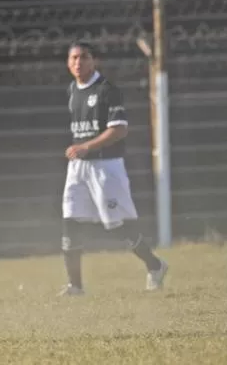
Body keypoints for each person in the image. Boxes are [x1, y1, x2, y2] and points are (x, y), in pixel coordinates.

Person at [58, 41, 168, 296]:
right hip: (78, 169)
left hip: (106, 168)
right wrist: (80, 150)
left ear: (94, 60)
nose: (78, 62)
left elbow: (119, 129)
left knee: (118, 225)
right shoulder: (73, 89)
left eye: (83, 57)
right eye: (73, 58)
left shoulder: (107, 90)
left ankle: (155, 265)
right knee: (70, 220)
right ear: (67, 62)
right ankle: (75, 286)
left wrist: (87, 146)